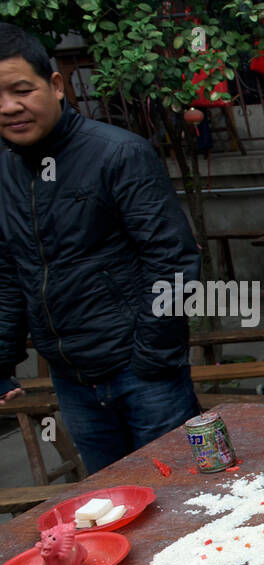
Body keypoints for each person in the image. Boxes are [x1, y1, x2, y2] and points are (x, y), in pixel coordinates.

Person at [0, 24, 201, 474]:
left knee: (183, 499)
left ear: (54, 85)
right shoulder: (5, 173)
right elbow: (8, 271)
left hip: (143, 373)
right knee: (110, 507)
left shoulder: (118, 154)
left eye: (21, 90)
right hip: (71, 379)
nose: (10, 107)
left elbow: (173, 260)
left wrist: (152, 358)